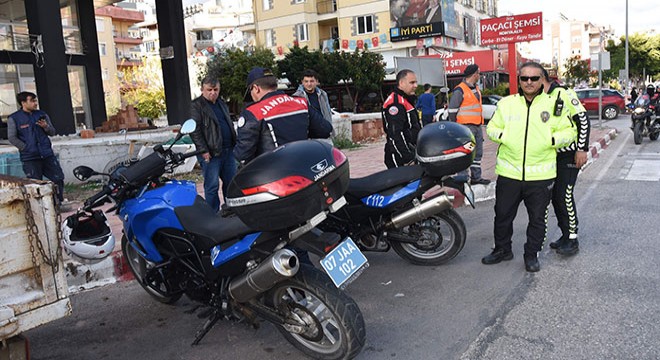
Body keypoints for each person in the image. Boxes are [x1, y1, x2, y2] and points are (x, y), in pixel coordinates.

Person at [482, 62, 576, 272]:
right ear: (519, 80)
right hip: (509, 173)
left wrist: (551, 139)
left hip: (540, 176)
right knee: (503, 215)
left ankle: (531, 255)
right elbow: (491, 128)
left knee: (537, 220)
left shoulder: (555, 104)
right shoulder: (507, 104)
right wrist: (506, 137)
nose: (529, 82)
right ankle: (502, 250)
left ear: (542, 80)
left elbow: (570, 132)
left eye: (534, 78)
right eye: (524, 78)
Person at [234, 67, 333, 164]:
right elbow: (325, 129)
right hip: (303, 166)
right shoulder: (301, 103)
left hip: (273, 172)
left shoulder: (253, 112)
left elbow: (243, 155)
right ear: (275, 86)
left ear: (256, 88)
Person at [542, 70, 590, 256]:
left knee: (564, 195)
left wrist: (582, 149)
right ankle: (565, 234)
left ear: (544, 79)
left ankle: (572, 239)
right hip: (551, 156)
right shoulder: (540, 99)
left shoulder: (564, 93)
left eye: (535, 78)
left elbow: (583, 120)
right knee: (556, 197)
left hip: (569, 154)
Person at [189, 76, 237, 213]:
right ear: (202, 89)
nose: (213, 93)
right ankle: (212, 214)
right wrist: (203, 150)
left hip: (228, 150)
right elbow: (195, 130)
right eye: (209, 90)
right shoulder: (197, 105)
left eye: (215, 89)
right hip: (211, 153)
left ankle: (231, 211)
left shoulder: (221, 103)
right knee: (212, 186)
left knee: (231, 183)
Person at [7, 92, 65, 205]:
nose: (35, 103)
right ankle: (39, 207)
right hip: (30, 158)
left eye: (35, 100)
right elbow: (12, 138)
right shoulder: (14, 118)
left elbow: (52, 132)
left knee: (58, 178)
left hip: (47, 155)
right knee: (34, 184)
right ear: (23, 103)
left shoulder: (41, 114)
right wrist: (26, 148)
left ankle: (58, 203)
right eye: (32, 101)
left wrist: (45, 127)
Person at [447, 64, 490, 185]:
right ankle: (462, 178)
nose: (479, 76)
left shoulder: (476, 88)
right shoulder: (460, 89)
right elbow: (452, 110)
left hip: (477, 126)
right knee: (465, 152)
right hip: (464, 127)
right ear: (475, 74)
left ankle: (476, 178)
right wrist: (455, 127)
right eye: (479, 73)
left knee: (477, 153)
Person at [382, 69, 422, 168]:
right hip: (399, 155)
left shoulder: (406, 100)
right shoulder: (396, 103)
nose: (415, 86)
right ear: (401, 83)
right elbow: (395, 134)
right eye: (412, 83)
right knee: (403, 183)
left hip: (410, 150)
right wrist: (407, 158)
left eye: (416, 82)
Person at [292, 69, 334, 143]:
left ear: (316, 82)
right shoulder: (297, 97)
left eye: (311, 81)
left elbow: (327, 113)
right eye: (306, 81)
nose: (309, 84)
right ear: (302, 82)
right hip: (308, 138)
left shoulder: (323, 94)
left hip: (325, 135)